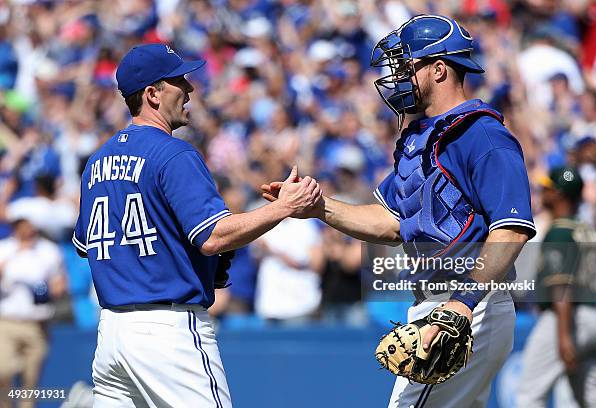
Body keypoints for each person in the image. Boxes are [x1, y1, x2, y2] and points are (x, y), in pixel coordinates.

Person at [263, 14, 535, 407]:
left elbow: (511, 231)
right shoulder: (422, 135)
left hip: (465, 305)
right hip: (441, 304)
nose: (398, 76)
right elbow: (390, 222)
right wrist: (319, 207)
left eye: (408, 66)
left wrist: (461, 304)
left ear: (439, 69)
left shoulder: (484, 135)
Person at [72, 43, 321, 407]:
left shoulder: (98, 161)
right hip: (167, 331)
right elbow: (212, 237)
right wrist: (283, 207)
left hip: (111, 333)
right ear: (152, 94)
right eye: (178, 81)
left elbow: (85, 245)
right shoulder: (174, 153)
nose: (189, 89)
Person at [517, 167, 596, 408]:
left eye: (548, 188)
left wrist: (563, 337)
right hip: (595, 318)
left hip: (566, 318)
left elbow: (561, 287)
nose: (543, 192)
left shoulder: (559, 232)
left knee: (529, 395)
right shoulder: (586, 229)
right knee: (591, 399)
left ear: (560, 194)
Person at [0, 216, 66, 408]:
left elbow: (60, 282)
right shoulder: (4, 248)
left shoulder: (49, 251)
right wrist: (15, 255)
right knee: (3, 370)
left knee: (31, 379)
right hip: (7, 322)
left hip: (37, 323)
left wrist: (53, 289)